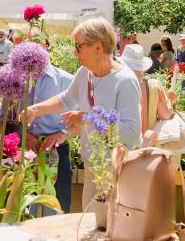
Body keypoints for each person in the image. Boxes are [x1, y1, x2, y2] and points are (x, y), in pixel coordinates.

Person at [24, 17, 142, 209]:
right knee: (90, 228)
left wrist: (87, 118)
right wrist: (37, 109)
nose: (75, 52)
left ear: (97, 47)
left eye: (79, 46)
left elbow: (132, 132)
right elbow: (67, 100)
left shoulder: (125, 81)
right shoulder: (85, 73)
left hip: (118, 172)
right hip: (92, 168)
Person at [0, 61, 74, 215]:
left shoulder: (67, 81)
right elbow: (2, 123)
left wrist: (61, 135)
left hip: (57, 154)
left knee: (59, 213)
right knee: (20, 215)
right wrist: (23, 136)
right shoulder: (14, 79)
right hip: (22, 156)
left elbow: (79, 121)